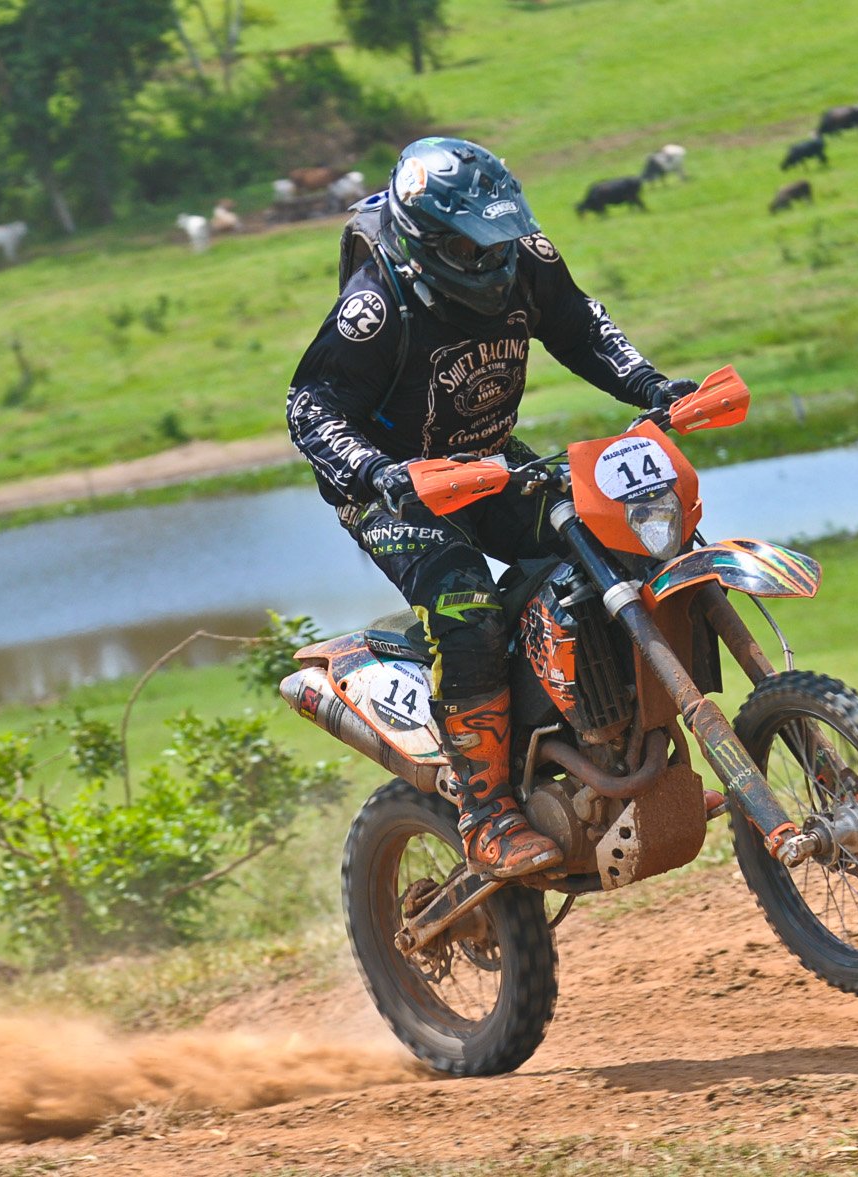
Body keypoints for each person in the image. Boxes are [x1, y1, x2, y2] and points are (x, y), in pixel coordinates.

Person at [286, 137, 697, 879]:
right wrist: (381, 473)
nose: (492, 257)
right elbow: (311, 408)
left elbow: (580, 326)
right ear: (430, 242)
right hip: (396, 496)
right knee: (466, 610)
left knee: (617, 535)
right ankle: (485, 814)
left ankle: (601, 731)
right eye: (472, 246)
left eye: (497, 236)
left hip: (489, 463)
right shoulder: (377, 306)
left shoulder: (523, 255)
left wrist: (653, 386)